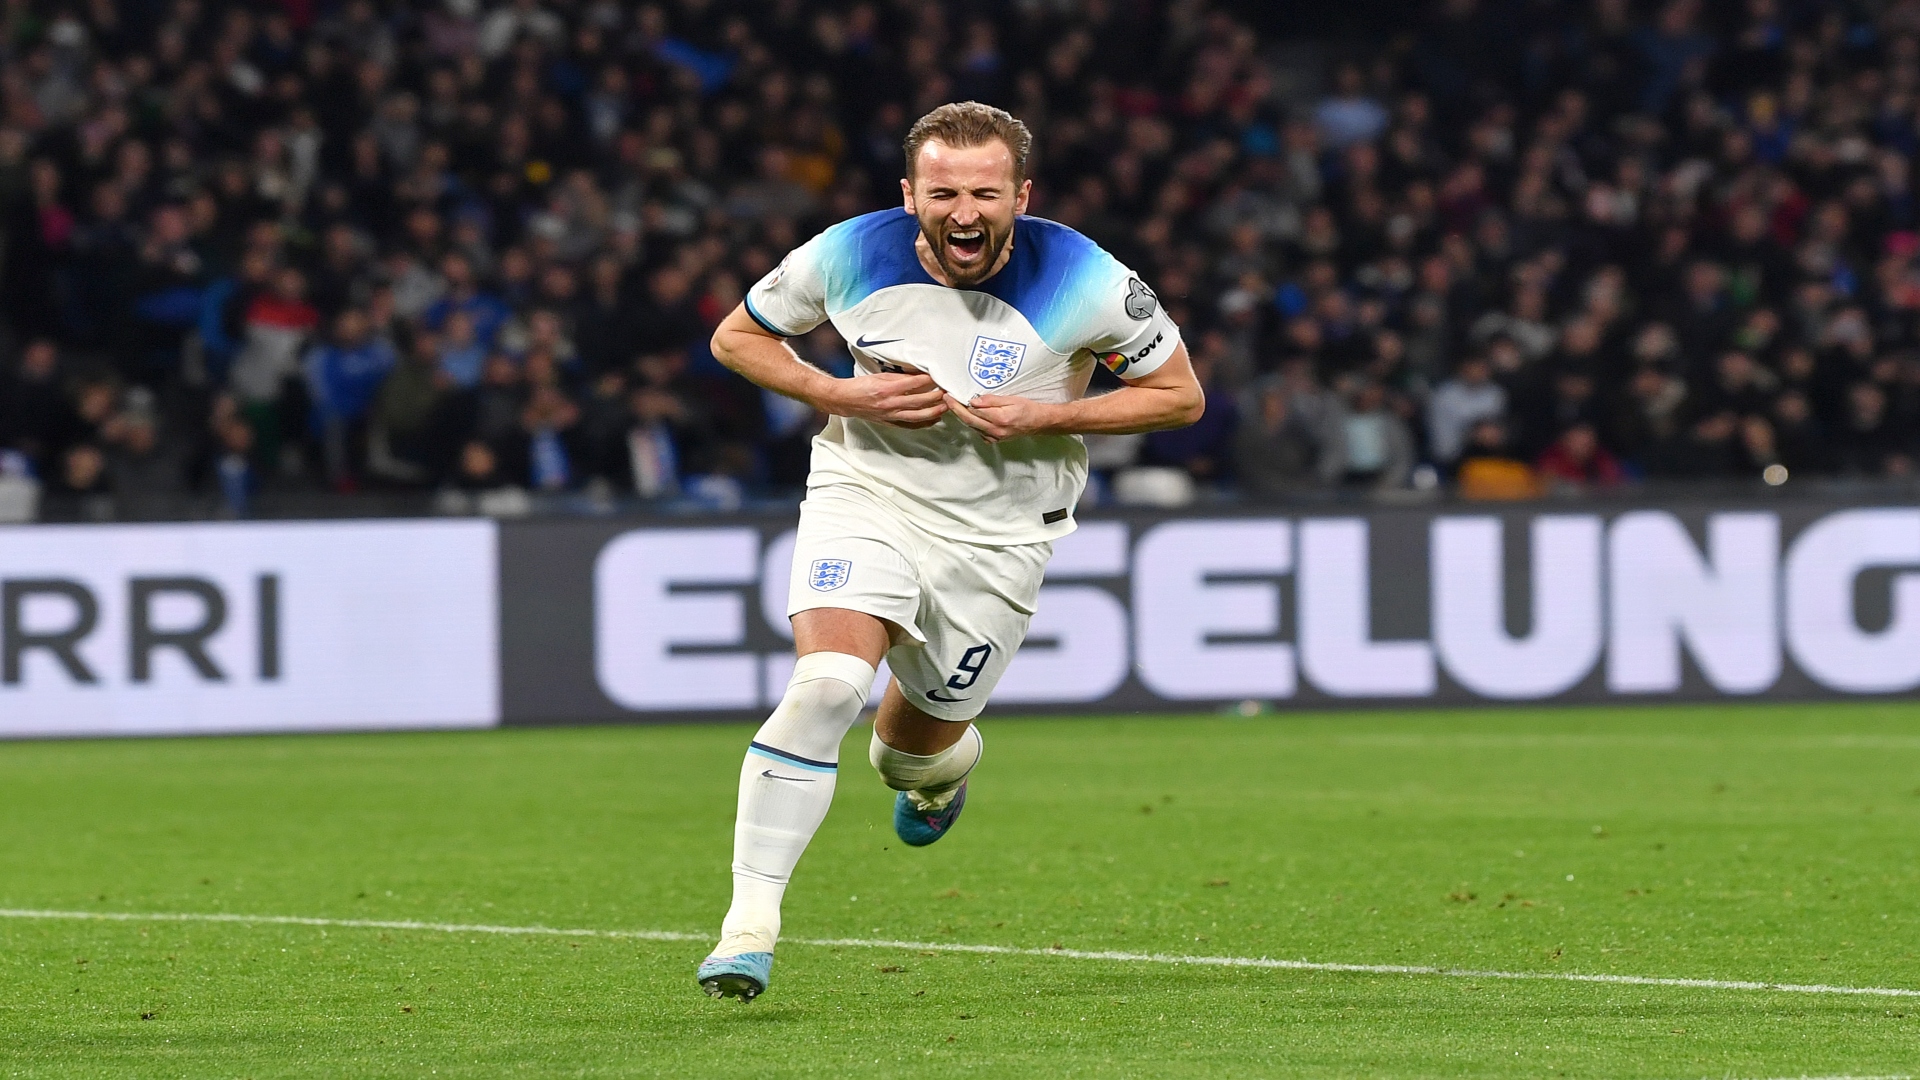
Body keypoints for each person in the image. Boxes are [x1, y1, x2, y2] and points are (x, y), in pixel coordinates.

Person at [695, 102, 1203, 1002]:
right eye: (942, 192)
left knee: (907, 750)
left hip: (999, 538)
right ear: (909, 194)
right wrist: (838, 396)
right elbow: (737, 336)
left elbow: (1178, 395)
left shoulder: (1086, 277)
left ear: (1020, 195)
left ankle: (938, 777)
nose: (963, 211)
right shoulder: (848, 250)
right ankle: (748, 929)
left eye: (983, 192)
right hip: (867, 495)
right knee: (824, 688)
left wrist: (1050, 416)